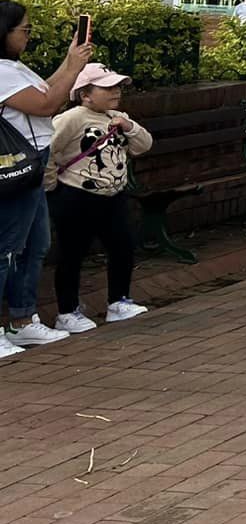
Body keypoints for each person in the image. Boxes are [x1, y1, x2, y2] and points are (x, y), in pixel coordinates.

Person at [0, 0, 93, 354]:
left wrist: (71, 61)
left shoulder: (14, 67)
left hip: (34, 162)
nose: (28, 36)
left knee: (35, 244)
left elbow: (47, 90)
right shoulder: (2, 71)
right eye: (24, 30)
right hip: (14, 165)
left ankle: (23, 320)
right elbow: (47, 104)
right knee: (6, 247)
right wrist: (75, 66)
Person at [47, 61, 151, 331]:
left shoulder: (117, 117)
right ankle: (67, 311)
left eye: (118, 87)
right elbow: (48, 149)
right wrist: (51, 185)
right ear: (85, 94)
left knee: (122, 245)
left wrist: (129, 127)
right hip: (76, 195)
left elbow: (144, 145)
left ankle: (118, 301)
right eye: (107, 88)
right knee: (72, 252)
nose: (115, 92)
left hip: (113, 195)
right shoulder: (72, 118)